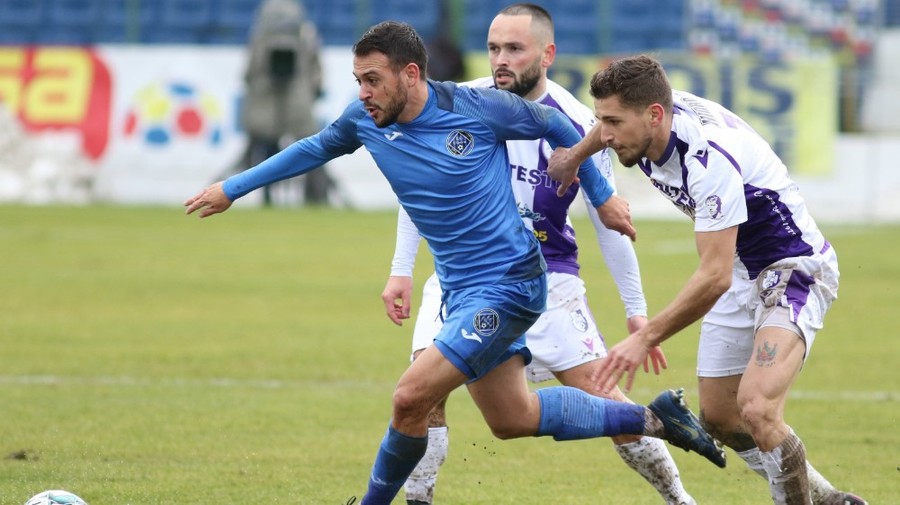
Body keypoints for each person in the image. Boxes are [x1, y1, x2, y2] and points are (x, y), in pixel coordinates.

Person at [184, 23, 726, 505]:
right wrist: (234, 187)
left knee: (409, 397)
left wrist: (602, 194)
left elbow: (559, 127)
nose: (363, 93)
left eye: (373, 80)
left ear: (411, 74)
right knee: (512, 419)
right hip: (458, 289)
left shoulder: (477, 108)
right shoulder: (364, 120)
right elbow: (313, 148)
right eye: (358, 81)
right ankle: (656, 418)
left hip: (511, 284)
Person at [382, 5, 695, 505]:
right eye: (492, 48)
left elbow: (609, 222)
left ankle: (680, 498)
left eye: (514, 49)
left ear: (547, 54)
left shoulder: (578, 124)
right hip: (461, 278)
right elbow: (420, 191)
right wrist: (401, 270)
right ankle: (418, 498)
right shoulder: (459, 105)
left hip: (550, 284)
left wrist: (636, 311)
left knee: (606, 401)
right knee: (420, 394)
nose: (500, 60)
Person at [548, 54, 867, 505]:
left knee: (757, 408)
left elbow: (712, 276)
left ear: (655, 115)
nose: (608, 133)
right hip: (741, 267)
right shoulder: (645, 124)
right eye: (603, 121)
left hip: (792, 267)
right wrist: (575, 156)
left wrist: (645, 337)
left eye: (615, 122)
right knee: (719, 417)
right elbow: (606, 128)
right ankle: (830, 499)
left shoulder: (706, 158)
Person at [241, 0, 330, 205]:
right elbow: (315, 63)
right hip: (297, 93)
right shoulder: (306, 34)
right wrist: (314, 89)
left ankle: (266, 195)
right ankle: (315, 195)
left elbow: (250, 69)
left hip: (267, 94)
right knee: (311, 145)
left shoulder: (259, 35)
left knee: (266, 145)